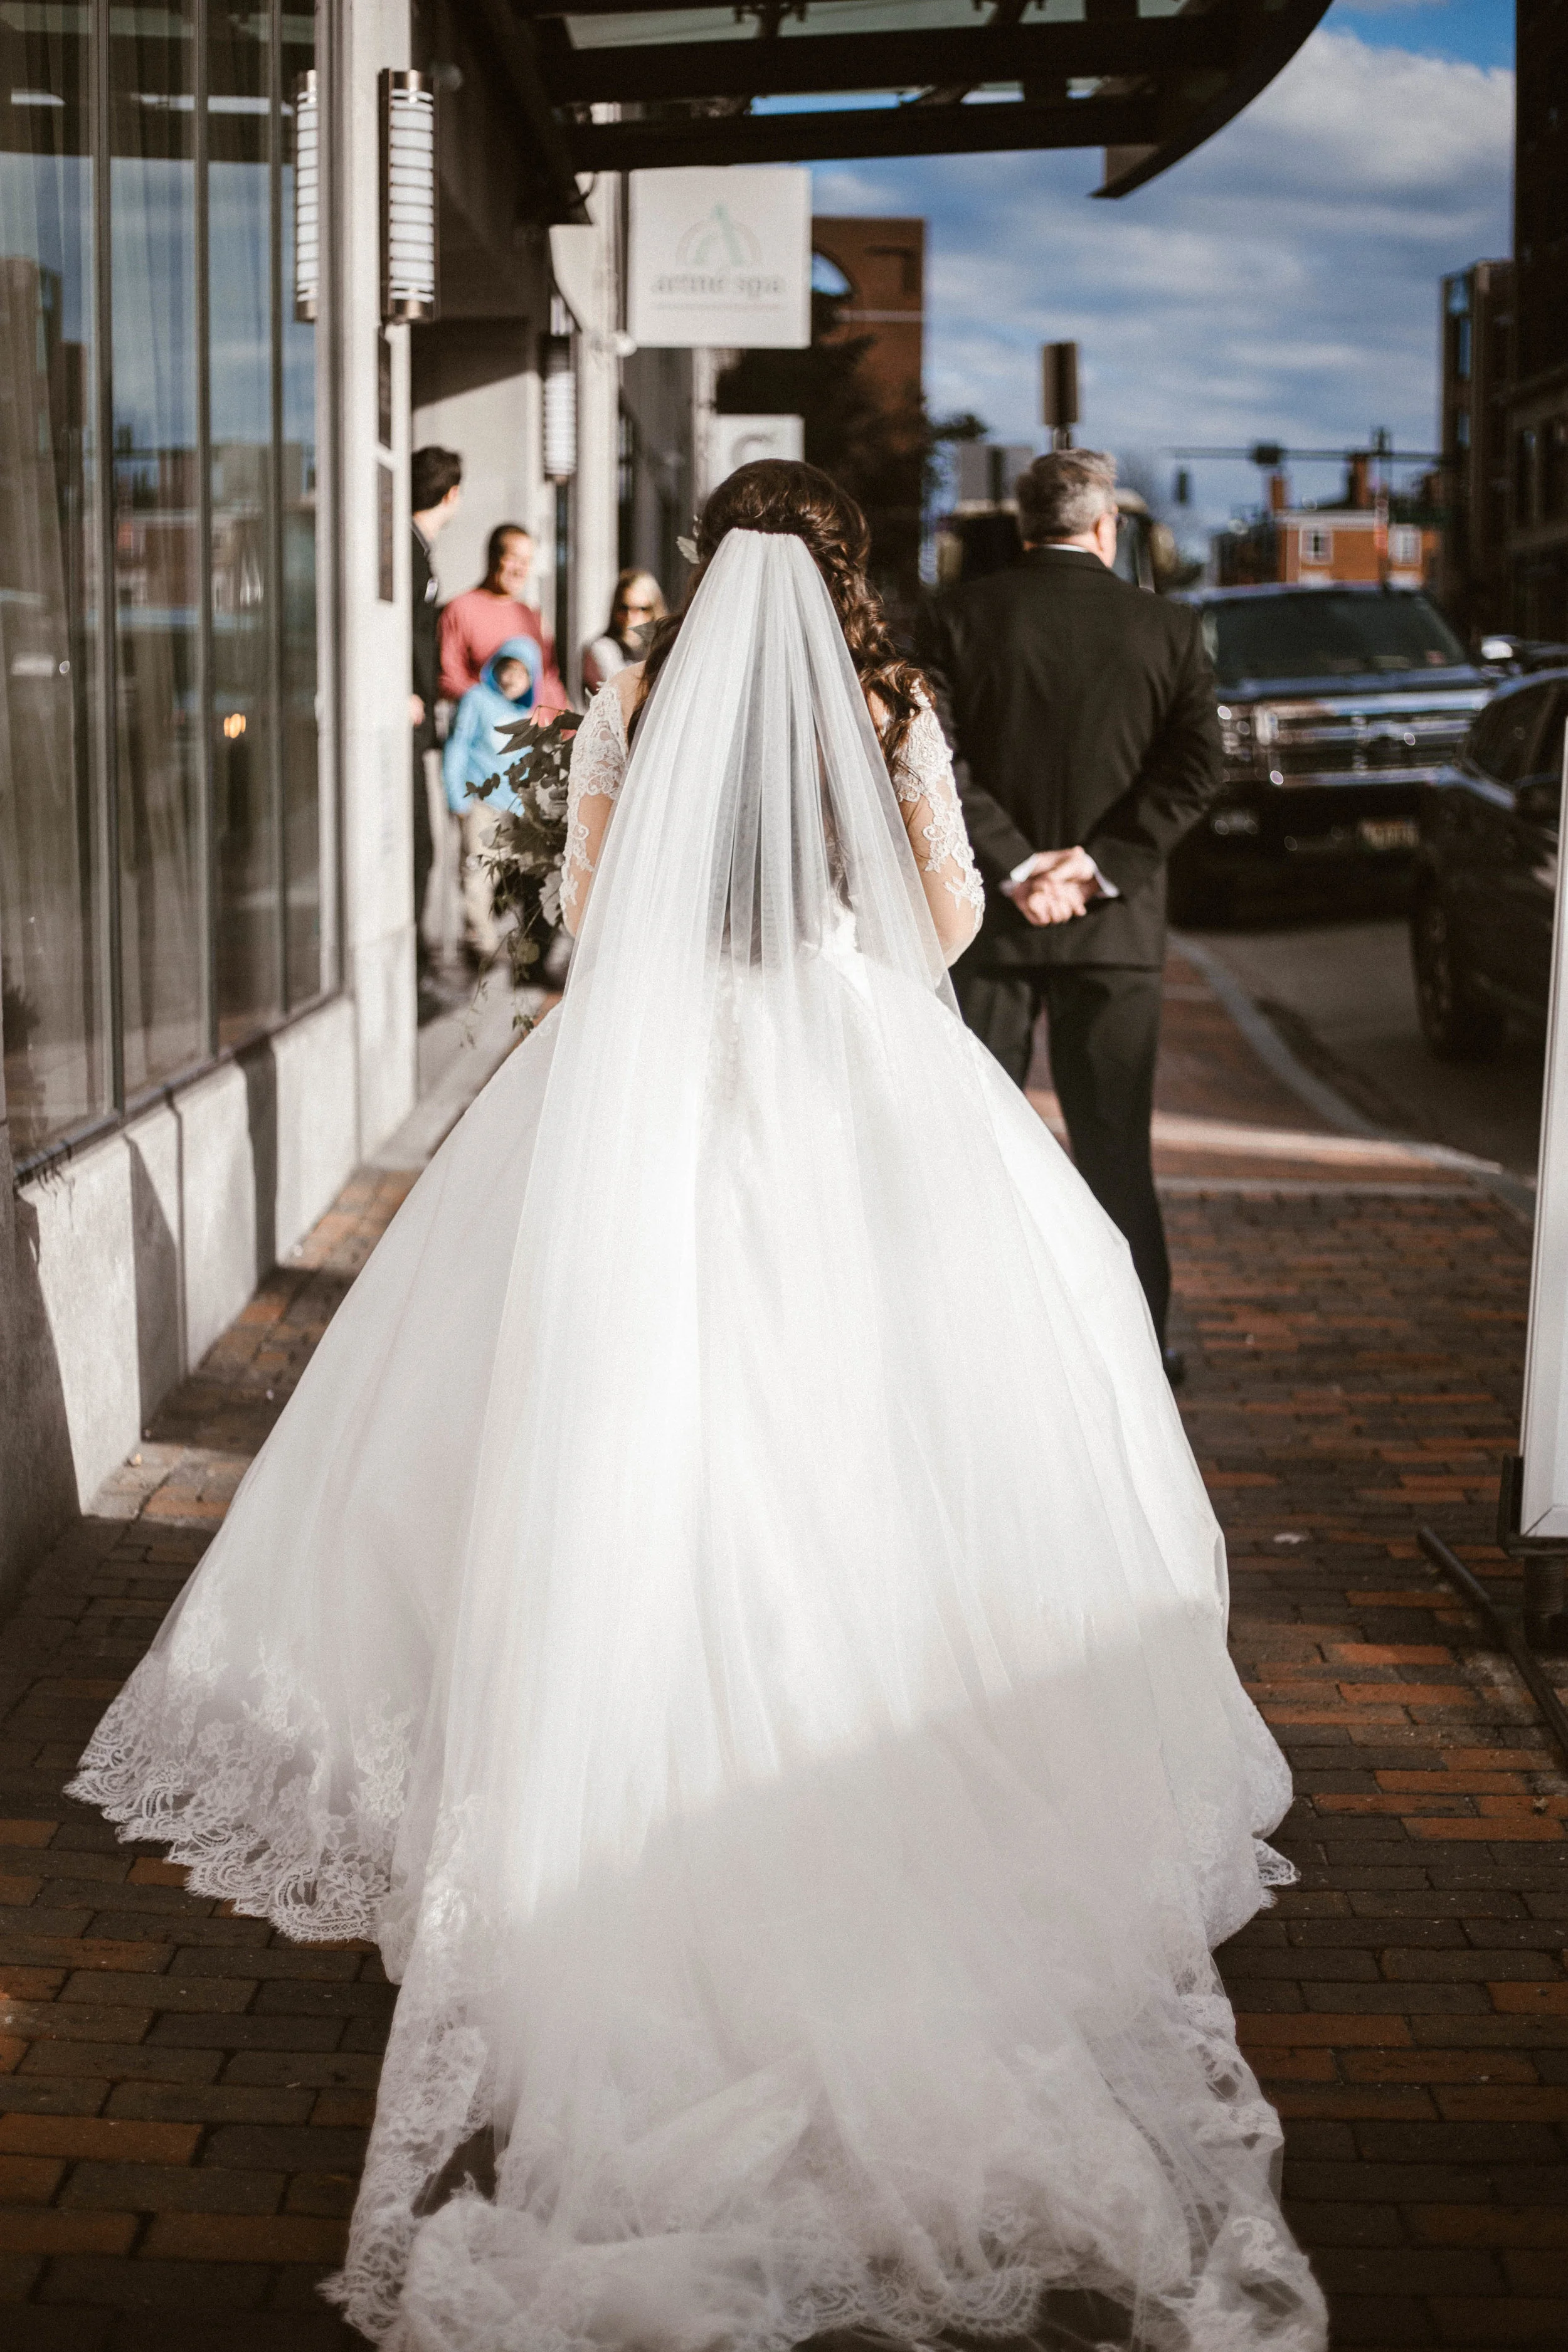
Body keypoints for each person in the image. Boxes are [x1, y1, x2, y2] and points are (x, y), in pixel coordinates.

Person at [70, 462, 1325, 2352]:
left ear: (702, 571)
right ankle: (862, 1758)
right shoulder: (889, 704)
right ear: (838, 577)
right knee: (872, 1440)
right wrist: (845, 974)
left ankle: (601, 1767)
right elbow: (938, 922)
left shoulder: (636, 694)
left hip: (642, 1091)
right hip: (843, 1071)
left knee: (616, 1423)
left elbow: (590, 903)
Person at [916, 448, 1223, 1386]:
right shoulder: (1169, 629)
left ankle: (980, 1342)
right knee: (1115, 1143)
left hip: (990, 929)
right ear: (1107, 528)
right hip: (1114, 930)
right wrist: (1093, 869)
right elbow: (1196, 771)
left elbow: (935, 761)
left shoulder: (956, 619)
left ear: (1021, 525)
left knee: (978, 1143)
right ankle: (1136, 1344)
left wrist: (1017, 865)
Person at [442, 637, 540, 965]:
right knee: (477, 872)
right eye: (506, 669)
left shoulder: (524, 712)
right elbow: (457, 746)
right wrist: (457, 798)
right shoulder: (477, 699)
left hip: (513, 810)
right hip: (481, 805)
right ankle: (482, 943)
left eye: (521, 673)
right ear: (495, 668)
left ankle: (495, 935)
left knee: (503, 876)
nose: (512, 679)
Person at [410, 447, 463, 982]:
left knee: (426, 844)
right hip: (411, 715)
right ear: (451, 494)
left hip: (422, 717)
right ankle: (420, 966)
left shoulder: (414, 548)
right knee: (420, 846)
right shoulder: (407, 549)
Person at [438, 522, 569, 717]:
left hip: (533, 737)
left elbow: (549, 680)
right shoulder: (460, 609)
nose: (521, 570)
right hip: (485, 738)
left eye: (527, 561)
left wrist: (570, 731)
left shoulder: (532, 616)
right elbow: (449, 679)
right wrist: (496, 707)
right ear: (493, 558)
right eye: (514, 559)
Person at [580, 567, 665, 695]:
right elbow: (618, 694)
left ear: (653, 611)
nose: (630, 617)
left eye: (641, 609)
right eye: (624, 608)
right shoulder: (602, 648)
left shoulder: (663, 648)